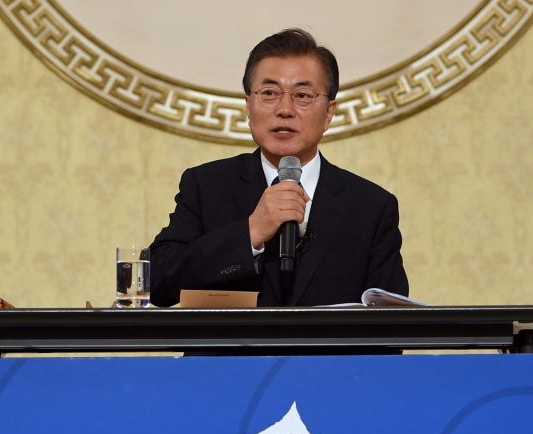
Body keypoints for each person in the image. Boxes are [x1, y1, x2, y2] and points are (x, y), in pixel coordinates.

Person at [150, 28, 408, 307]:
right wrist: (249, 233)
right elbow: (155, 282)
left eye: (303, 95)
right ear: (248, 106)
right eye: (270, 93)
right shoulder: (206, 186)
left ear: (329, 113)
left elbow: (392, 320)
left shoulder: (371, 207)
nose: (285, 109)